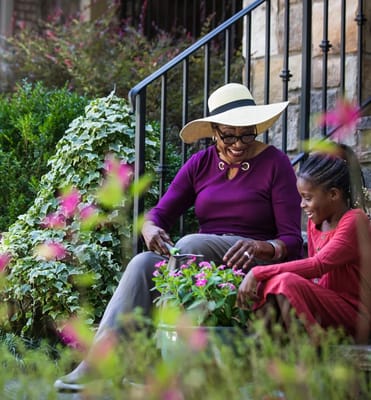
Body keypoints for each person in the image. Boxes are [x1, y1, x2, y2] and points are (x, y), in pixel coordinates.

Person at [54, 82, 303, 391]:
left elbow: (293, 241)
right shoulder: (200, 164)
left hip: (250, 260)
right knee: (143, 263)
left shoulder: (275, 164)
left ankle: (157, 360)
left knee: (188, 245)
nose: (239, 143)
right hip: (200, 263)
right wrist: (149, 228)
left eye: (247, 133)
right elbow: (160, 213)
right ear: (213, 130)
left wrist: (261, 247)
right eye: (228, 135)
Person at [237, 143, 371, 342]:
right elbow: (313, 278)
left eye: (307, 198)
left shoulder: (355, 220)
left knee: (284, 280)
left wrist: (257, 272)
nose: (302, 205)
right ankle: (264, 345)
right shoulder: (315, 222)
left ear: (333, 194)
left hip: (355, 317)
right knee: (277, 282)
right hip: (325, 308)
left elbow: (317, 266)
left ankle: (308, 350)